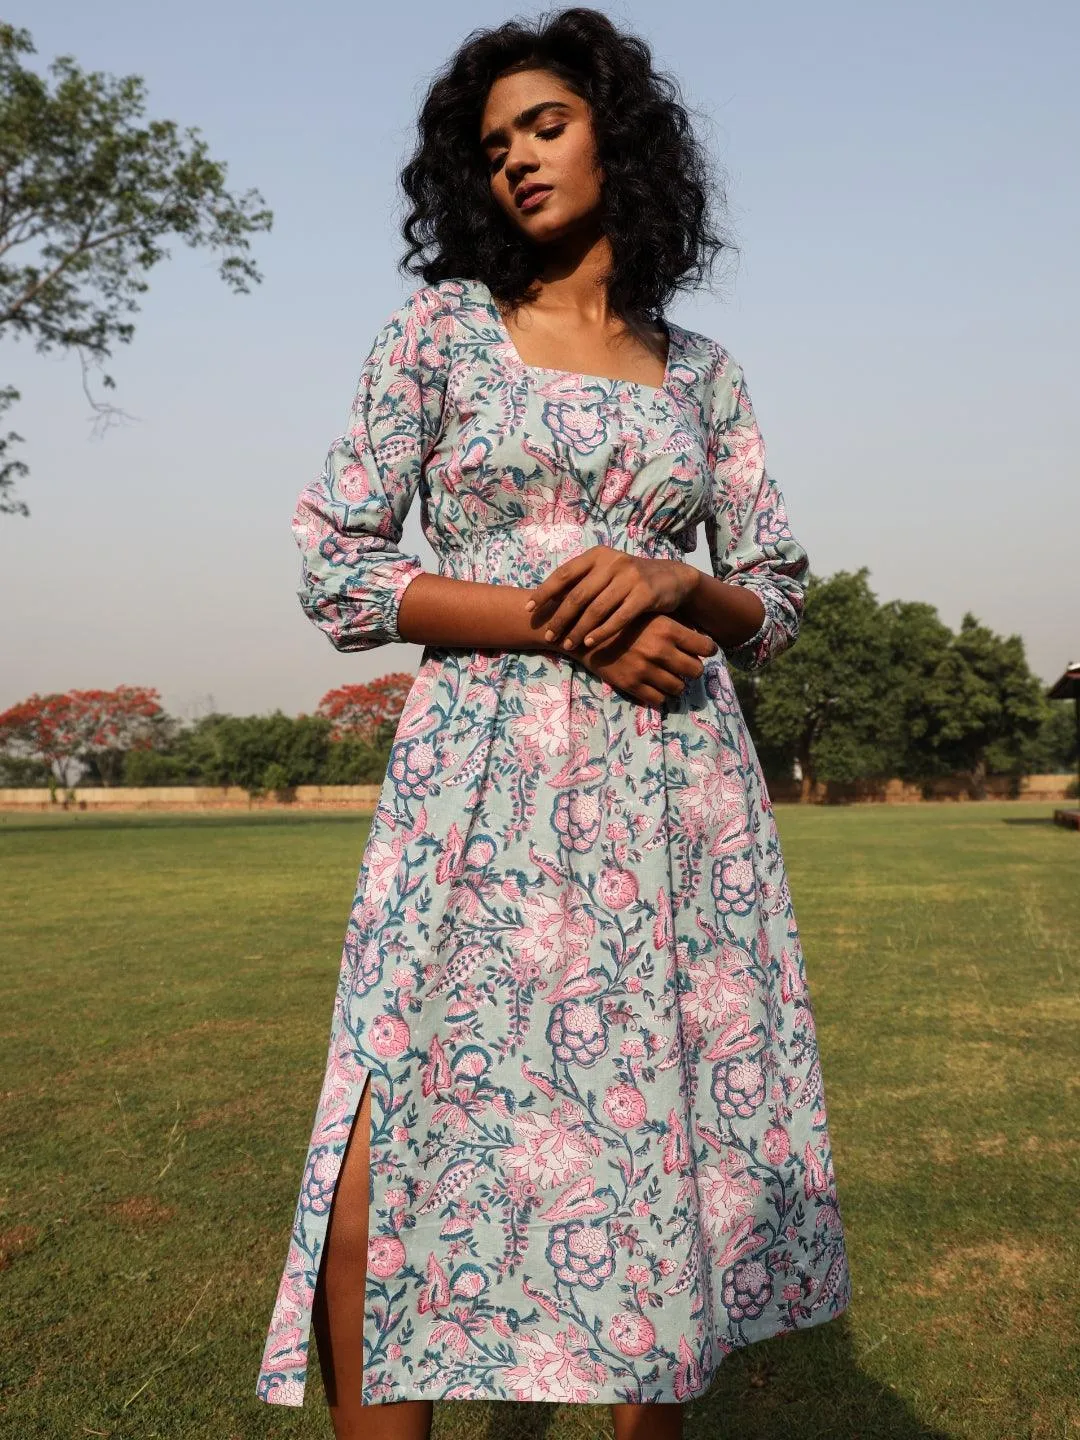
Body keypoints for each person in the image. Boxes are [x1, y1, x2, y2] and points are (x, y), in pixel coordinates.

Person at [257, 8, 851, 1438]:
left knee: (660, 1164)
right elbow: (334, 563)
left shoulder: (702, 372)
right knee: (378, 1174)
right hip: (477, 792)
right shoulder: (440, 332)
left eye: (547, 124)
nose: (519, 159)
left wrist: (677, 582)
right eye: (493, 145)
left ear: (616, 137)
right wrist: (564, 615)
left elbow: (778, 596)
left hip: (674, 797)